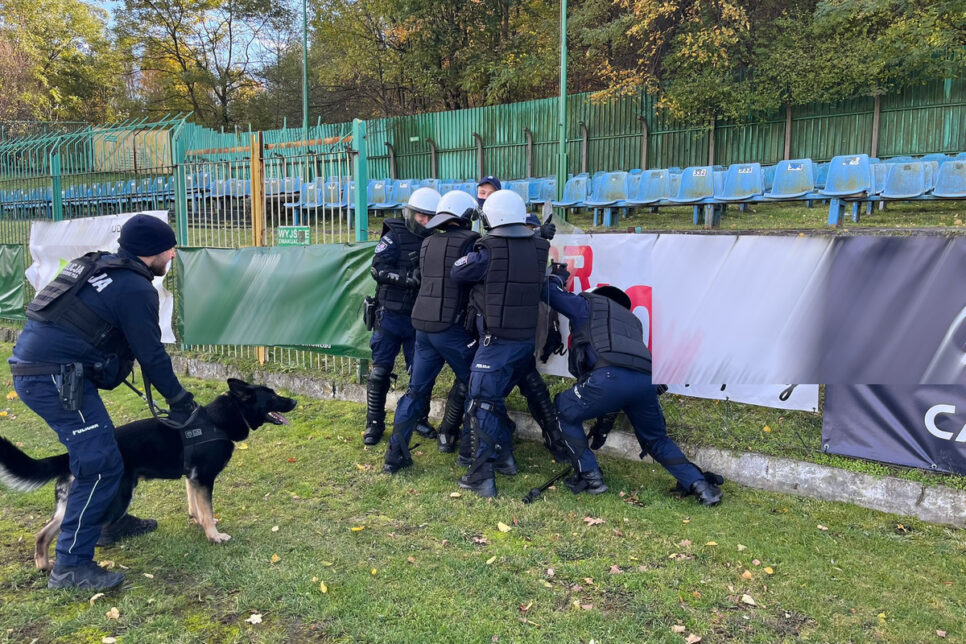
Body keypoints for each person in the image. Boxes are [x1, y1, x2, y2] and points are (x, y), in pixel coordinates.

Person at [9, 214, 201, 590]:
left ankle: (111, 521)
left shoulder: (102, 266)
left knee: (105, 452)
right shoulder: (134, 288)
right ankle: (71, 566)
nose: (173, 255)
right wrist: (179, 400)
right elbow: (152, 355)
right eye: (169, 248)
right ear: (151, 252)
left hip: (48, 370)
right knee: (99, 464)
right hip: (55, 377)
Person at [545, 269, 723, 505]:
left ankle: (590, 476)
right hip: (646, 382)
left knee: (564, 409)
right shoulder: (633, 321)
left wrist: (556, 277)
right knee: (657, 439)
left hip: (608, 378)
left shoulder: (587, 305)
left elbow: (547, 291)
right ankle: (701, 487)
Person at [451, 190, 550, 497]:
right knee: (493, 403)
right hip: (523, 343)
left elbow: (458, 271)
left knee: (482, 404)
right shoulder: (539, 248)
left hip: (495, 344)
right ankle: (505, 459)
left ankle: (481, 476)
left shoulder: (487, 251)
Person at [383, 190, 481, 472]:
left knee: (415, 392)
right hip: (450, 328)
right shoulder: (471, 242)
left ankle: (394, 455)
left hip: (422, 327)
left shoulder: (427, 242)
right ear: (466, 217)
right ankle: (467, 453)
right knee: (478, 385)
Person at [364, 188, 440, 446]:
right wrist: (407, 280)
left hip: (418, 318)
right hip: (389, 316)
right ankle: (374, 423)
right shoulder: (394, 234)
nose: (425, 222)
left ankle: (419, 418)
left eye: (430, 217)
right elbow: (377, 268)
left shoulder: (436, 239)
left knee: (421, 373)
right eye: (421, 217)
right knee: (379, 372)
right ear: (411, 213)